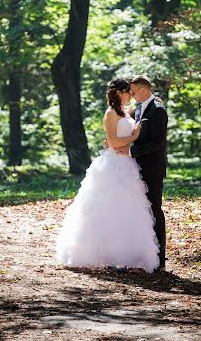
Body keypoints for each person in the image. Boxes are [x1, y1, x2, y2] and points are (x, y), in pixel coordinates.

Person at [56, 78, 160, 273]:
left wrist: (129, 142)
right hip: (113, 166)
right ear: (119, 92)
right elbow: (113, 143)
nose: (131, 94)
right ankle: (105, 254)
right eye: (128, 91)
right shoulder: (110, 113)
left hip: (129, 165)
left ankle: (126, 255)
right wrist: (133, 137)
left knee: (127, 210)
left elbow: (119, 139)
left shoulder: (128, 112)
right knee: (109, 209)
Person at [115, 75, 168, 270]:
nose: (132, 95)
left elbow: (157, 143)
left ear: (144, 90)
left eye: (134, 91)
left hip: (152, 169)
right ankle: (143, 255)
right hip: (136, 169)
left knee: (154, 210)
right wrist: (118, 144)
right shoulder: (139, 109)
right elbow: (136, 136)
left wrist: (131, 151)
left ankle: (159, 260)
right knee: (140, 212)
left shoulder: (158, 110)